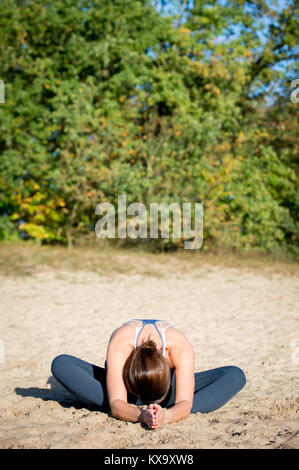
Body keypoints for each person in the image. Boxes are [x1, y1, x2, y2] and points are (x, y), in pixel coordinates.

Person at [51, 319, 246, 429]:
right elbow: (117, 403)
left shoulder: (178, 346)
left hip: (168, 388)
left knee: (235, 375)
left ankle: (162, 404)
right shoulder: (122, 343)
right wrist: (141, 414)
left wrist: (167, 415)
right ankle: (147, 404)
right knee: (61, 364)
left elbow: (185, 404)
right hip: (125, 387)